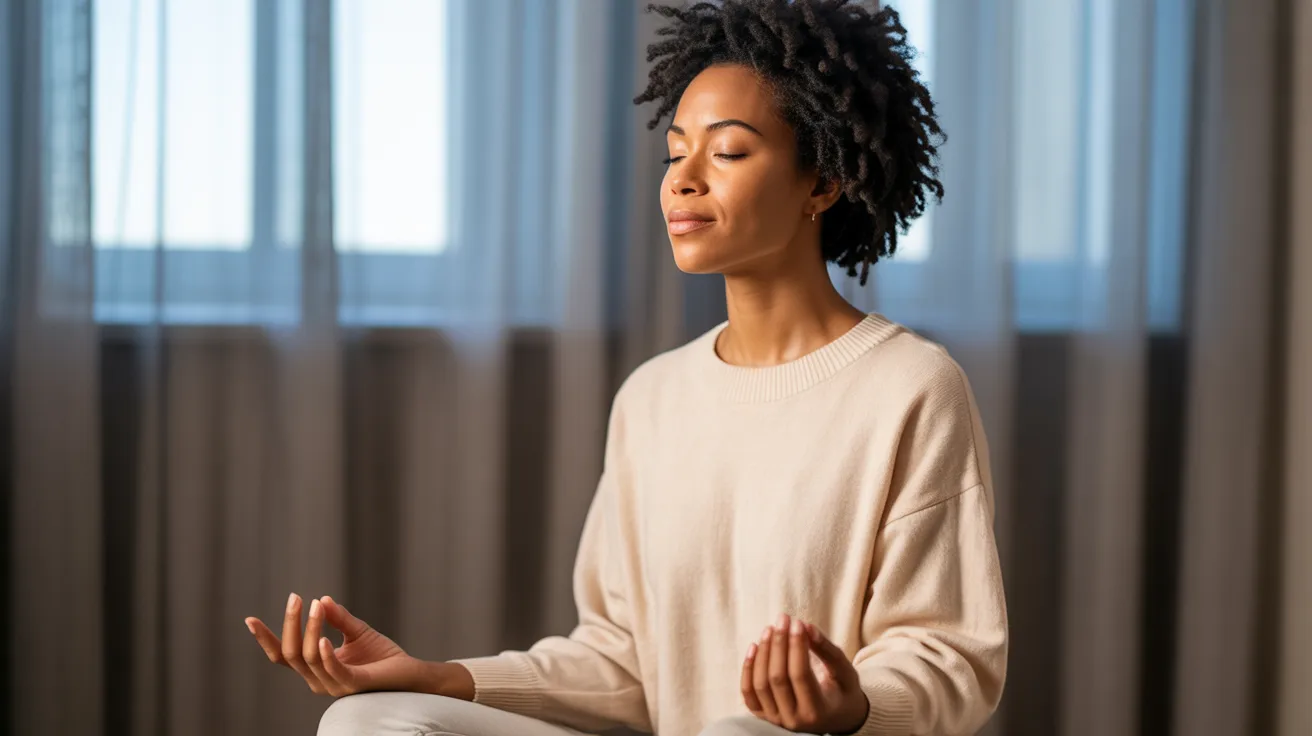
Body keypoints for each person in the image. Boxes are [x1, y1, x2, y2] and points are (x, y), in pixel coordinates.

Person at [244, 1, 1008, 734]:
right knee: (366, 720)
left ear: (823, 182)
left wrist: (852, 705)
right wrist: (432, 674)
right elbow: (620, 662)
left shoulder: (910, 387)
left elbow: (949, 655)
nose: (683, 178)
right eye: (677, 152)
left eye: (730, 151)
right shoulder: (653, 398)